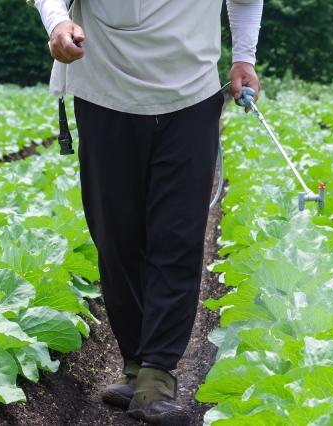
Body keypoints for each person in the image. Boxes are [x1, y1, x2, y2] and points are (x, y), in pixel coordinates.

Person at [27, 0, 262, 424]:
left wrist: (244, 57)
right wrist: (58, 22)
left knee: (178, 235)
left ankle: (157, 373)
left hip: (189, 94)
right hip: (106, 92)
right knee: (116, 237)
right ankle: (136, 366)